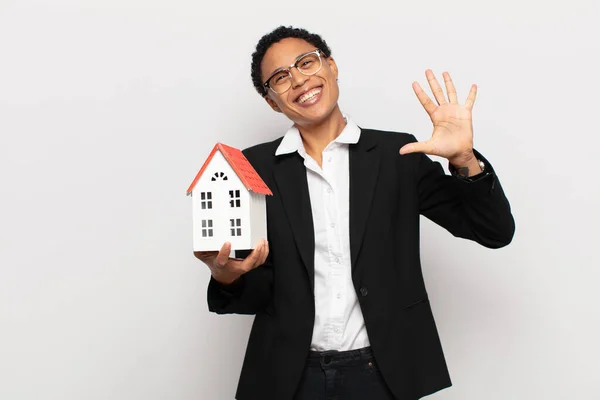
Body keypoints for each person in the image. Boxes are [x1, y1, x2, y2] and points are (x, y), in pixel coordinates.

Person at [194, 26, 514, 400]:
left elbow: (494, 231)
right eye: (281, 78)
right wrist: (227, 276)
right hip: (288, 378)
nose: (299, 80)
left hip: (382, 373)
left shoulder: (398, 155)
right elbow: (260, 293)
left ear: (331, 66)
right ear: (272, 102)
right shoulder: (253, 167)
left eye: (306, 63)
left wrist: (464, 159)